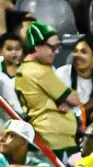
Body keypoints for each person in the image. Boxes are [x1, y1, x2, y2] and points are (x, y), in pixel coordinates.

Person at [15, 21, 79, 159]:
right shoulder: (40, 71)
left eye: (58, 47)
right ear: (37, 46)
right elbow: (75, 99)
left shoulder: (25, 68)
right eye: (52, 47)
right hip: (57, 141)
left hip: (50, 136)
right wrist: (65, 101)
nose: (56, 52)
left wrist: (61, 101)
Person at [55, 35, 93, 124]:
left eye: (83, 52)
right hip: (67, 119)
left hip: (91, 119)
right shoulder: (61, 73)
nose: (77, 55)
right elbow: (63, 108)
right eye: (75, 51)